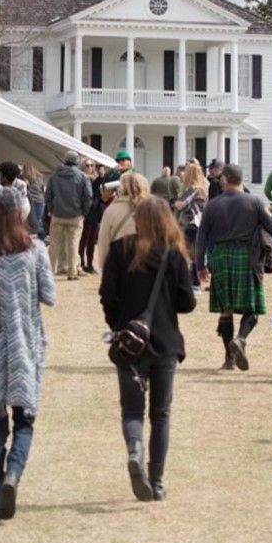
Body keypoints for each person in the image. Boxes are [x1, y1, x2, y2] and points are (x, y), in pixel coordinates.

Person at [100, 197, 196, 502]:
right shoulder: (174, 254)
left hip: (129, 343)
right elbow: (187, 302)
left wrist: (119, 325)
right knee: (161, 414)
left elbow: (107, 295)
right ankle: (156, 481)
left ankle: (134, 449)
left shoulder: (120, 250)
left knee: (131, 410)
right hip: (165, 342)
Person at [0, 189, 56, 521]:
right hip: (25, 343)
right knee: (25, 419)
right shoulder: (35, 250)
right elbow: (49, 296)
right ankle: (14, 475)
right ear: (20, 214)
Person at [196, 164, 272, 371]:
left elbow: (202, 236)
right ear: (241, 179)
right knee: (252, 307)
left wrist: (200, 265)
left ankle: (229, 359)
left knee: (226, 311)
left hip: (221, 257)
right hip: (246, 257)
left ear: (225, 179)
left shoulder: (212, 204)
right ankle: (240, 339)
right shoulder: (254, 201)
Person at [44, 151, 92, 281]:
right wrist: (84, 212)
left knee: (54, 245)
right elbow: (88, 196)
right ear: (77, 162)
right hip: (75, 215)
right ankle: (72, 272)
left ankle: (49, 272)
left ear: (65, 161)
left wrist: (51, 209)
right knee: (73, 244)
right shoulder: (82, 177)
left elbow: (48, 195)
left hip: (57, 214)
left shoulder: (54, 176)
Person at [97, 172, 151, 271]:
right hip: (147, 261)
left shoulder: (111, 210)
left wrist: (104, 265)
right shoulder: (152, 208)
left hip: (119, 262)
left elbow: (104, 240)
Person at [174, 162, 208, 286]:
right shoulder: (204, 188)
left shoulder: (193, 189)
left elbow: (180, 204)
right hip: (201, 222)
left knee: (184, 252)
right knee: (197, 253)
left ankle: (192, 281)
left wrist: (178, 202)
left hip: (190, 222)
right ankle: (196, 281)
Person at [80, 158, 106, 275]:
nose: (89, 167)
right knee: (83, 239)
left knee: (91, 240)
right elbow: (90, 191)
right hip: (85, 211)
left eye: (91, 165)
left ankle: (89, 264)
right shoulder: (81, 178)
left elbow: (98, 193)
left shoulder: (96, 179)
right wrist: (100, 179)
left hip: (94, 211)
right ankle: (81, 263)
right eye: (87, 165)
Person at [22, 164, 46, 239]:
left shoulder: (25, 179)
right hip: (39, 201)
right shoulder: (40, 179)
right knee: (39, 219)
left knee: (28, 220)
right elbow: (42, 190)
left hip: (30, 201)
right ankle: (41, 238)